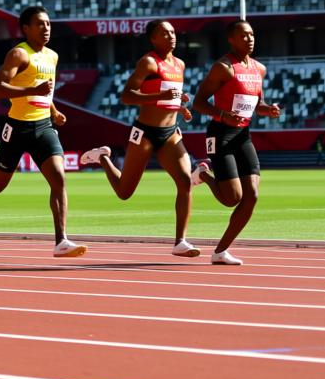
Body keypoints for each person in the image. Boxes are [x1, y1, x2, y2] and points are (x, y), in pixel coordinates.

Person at [0, 6, 87, 258]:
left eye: (48, 24)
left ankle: (61, 240)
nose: (46, 28)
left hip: (44, 126)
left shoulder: (52, 56)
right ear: (26, 28)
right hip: (17, 127)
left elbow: (45, 90)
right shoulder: (19, 54)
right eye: (40, 24)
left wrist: (53, 110)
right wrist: (32, 92)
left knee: (59, 178)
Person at [79, 20, 199, 257]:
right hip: (144, 132)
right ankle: (103, 157)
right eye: (164, 33)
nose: (171, 36)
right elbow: (126, 96)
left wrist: (180, 106)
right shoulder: (148, 62)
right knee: (124, 192)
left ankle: (180, 241)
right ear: (153, 39)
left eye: (173, 32)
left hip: (170, 133)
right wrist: (160, 95)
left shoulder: (180, 64)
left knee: (185, 182)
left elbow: (170, 96)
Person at [190, 19, 281, 266]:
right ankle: (203, 174)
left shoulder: (259, 69)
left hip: (242, 135)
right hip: (219, 134)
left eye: (252, 34)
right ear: (231, 39)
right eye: (244, 35)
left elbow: (257, 104)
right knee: (231, 199)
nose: (249, 39)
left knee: (251, 195)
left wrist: (268, 109)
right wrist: (222, 114)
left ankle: (220, 251)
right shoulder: (223, 67)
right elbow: (198, 102)